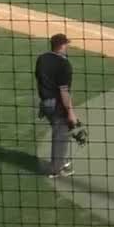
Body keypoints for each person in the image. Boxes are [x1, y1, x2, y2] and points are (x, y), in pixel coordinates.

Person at [35, 33, 78, 178]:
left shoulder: (42, 58)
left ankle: (60, 161)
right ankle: (55, 169)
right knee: (61, 133)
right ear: (61, 46)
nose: (68, 46)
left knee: (62, 130)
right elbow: (64, 91)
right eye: (66, 44)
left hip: (45, 103)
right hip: (56, 104)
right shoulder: (64, 64)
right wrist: (70, 112)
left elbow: (40, 79)